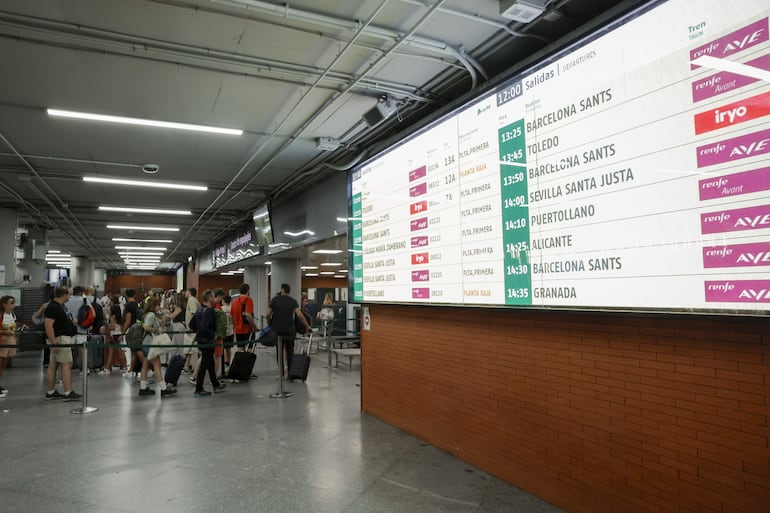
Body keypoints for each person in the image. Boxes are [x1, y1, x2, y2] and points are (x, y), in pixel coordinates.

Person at [43, 286, 81, 401]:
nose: (70, 296)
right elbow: (48, 325)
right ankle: (68, 392)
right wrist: (54, 342)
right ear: (64, 294)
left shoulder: (59, 307)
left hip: (60, 338)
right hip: (60, 339)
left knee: (53, 365)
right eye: (69, 294)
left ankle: (51, 392)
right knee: (66, 364)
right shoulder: (54, 307)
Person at [267, 283, 312, 377]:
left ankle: (281, 373)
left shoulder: (275, 300)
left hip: (277, 330)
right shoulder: (293, 301)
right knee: (290, 352)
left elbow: (267, 314)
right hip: (289, 330)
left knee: (279, 352)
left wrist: (270, 323)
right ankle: (291, 373)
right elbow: (300, 315)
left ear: (282, 289)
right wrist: (307, 326)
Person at [137, 297, 176, 397]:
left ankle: (143, 387)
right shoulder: (151, 315)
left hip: (146, 343)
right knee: (157, 364)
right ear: (154, 306)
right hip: (150, 343)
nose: (159, 307)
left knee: (145, 365)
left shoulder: (149, 315)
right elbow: (146, 327)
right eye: (158, 305)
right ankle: (163, 388)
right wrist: (156, 330)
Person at [192, 289, 226, 397]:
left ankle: (215, 384)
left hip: (200, 341)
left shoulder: (199, 309)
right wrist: (213, 335)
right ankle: (199, 389)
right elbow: (204, 327)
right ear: (209, 298)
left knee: (210, 364)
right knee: (204, 365)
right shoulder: (210, 311)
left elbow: (191, 324)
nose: (214, 298)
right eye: (213, 296)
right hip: (207, 341)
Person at [122, 288, 145, 378]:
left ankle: (148, 368)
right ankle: (131, 370)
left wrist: (123, 332)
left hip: (132, 330)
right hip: (139, 328)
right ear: (135, 295)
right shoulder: (138, 305)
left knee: (137, 350)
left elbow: (128, 320)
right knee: (134, 351)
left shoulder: (128, 306)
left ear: (126, 296)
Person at [0, 295, 19, 397]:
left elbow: (14, 326)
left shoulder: (13, 314)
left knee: (3, 364)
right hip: (2, 341)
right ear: (4, 304)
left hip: (11, 341)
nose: (13, 305)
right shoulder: (1, 315)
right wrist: (5, 332)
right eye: (11, 303)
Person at [231, 283, 257, 353]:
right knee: (249, 350)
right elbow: (248, 315)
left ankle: (240, 363)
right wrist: (254, 327)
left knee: (240, 349)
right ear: (248, 290)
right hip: (247, 328)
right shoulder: (248, 300)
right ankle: (246, 363)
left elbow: (232, 316)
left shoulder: (234, 301)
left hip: (237, 329)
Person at [182, 287, 200, 373]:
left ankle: (186, 365)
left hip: (191, 329)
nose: (184, 293)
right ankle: (187, 365)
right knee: (189, 348)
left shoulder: (192, 300)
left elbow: (194, 313)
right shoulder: (191, 300)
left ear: (189, 292)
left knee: (189, 348)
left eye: (186, 292)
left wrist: (191, 326)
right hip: (191, 328)